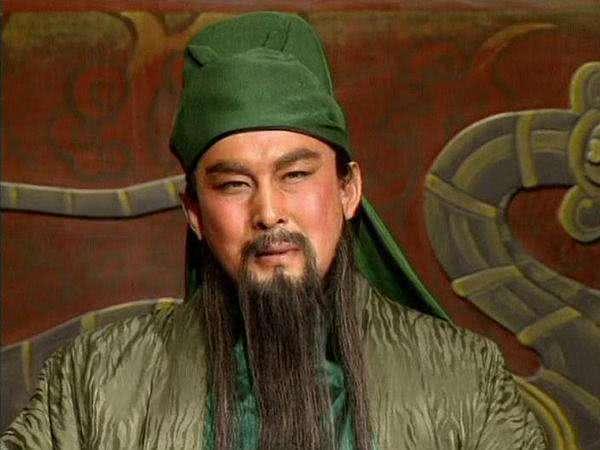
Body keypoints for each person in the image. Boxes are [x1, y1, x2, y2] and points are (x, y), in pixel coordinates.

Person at [1, 11, 546, 450]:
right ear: (194, 211)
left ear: (348, 189)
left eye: (296, 175)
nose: (268, 212)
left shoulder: (463, 380)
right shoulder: (94, 385)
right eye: (234, 184)